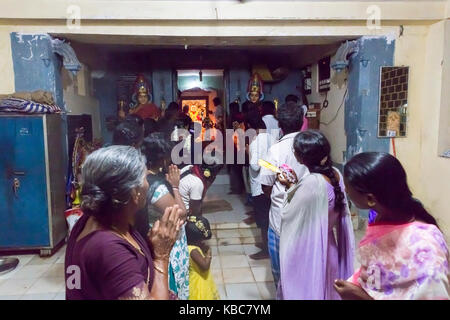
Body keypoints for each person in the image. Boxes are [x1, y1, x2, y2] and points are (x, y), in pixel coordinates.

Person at [65, 145, 183, 300]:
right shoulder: (109, 249)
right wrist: (161, 256)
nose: (148, 182)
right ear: (135, 192)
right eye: (145, 177)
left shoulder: (92, 219)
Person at [334, 152, 449, 300]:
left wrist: (361, 297)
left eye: (348, 189)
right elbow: (379, 271)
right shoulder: (382, 219)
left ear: (370, 199)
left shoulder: (427, 252)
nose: (345, 191)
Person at [278, 130, 355, 299]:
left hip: (310, 250)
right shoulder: (335, 174)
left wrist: (289, 187)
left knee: (309, 291)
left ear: (302, 157)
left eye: (295, 151)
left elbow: (289, 214)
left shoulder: (312, 183)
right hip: (329, 247)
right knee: (328, 290)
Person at [259, 101, 309, 287]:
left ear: (280, 125)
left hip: (281, 218)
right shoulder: (312, 146)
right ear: (302, 121)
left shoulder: (274, 150)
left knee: (280, 274)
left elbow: (265, 185)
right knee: (303, 270)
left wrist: (281, 195)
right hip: (307, 217)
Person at [138, 133, 190, 300]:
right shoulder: (156, 186)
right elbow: (181, 214)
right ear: (162, 159)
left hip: (153, 235)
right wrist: (175, 186)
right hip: (167, 243)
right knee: (171, 287)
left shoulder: (143, 176)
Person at [247, 114, 276, 259]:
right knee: (270, 218)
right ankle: (270, 245)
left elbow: (254, 165)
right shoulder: (273, 139)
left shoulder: (255, 142)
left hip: (259, 187)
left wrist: (248, 152)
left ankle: (266, 250)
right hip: (272, 185)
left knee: (263, 220)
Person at [186, 215, 220, 300]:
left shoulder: (188, 246)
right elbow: (205, 266)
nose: (202, 241)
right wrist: (209, 253)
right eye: (201, 239)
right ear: (196, 239)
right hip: (199, 280)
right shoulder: (193, 250)